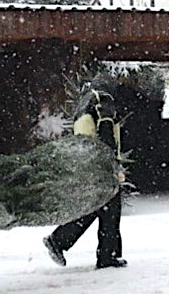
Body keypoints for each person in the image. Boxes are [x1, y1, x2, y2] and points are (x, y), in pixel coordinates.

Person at [43, 86, 127, 269]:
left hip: (90, 166)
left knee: (100, 210)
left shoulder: (85, 113)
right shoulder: (104, 112)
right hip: (102, 169)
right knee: (107, 212)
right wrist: (114, 167)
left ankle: (104, 254)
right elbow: (107, 141)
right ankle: (62, 241)